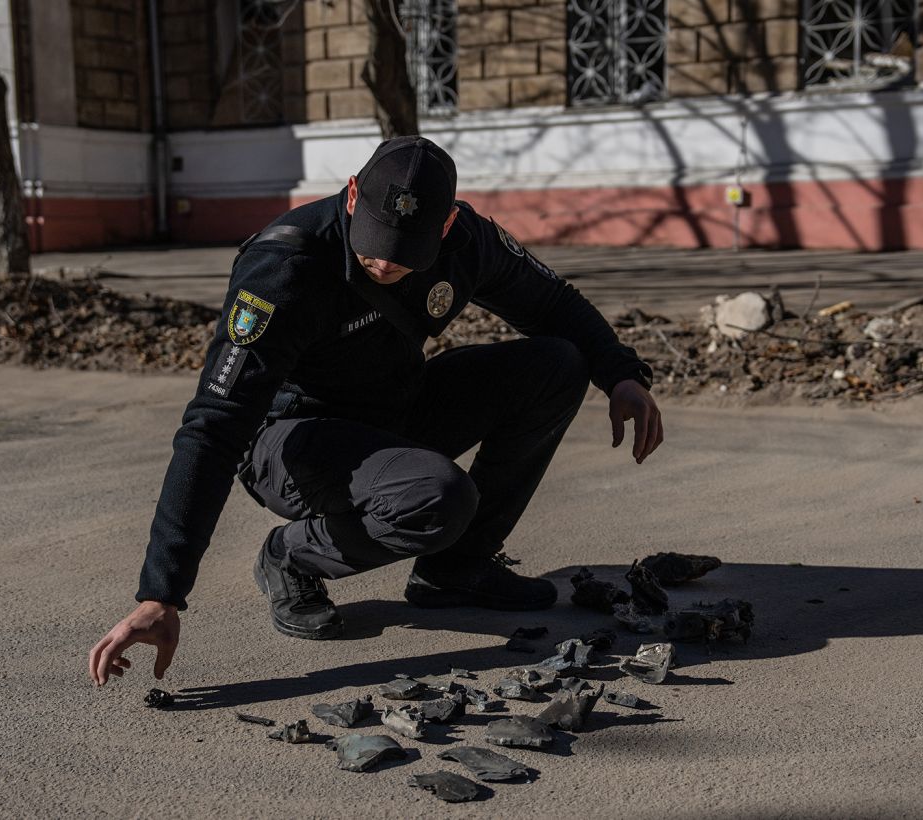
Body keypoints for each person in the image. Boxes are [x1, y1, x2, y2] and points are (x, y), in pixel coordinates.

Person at [88, 136, 663, 686]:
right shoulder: (284, 268)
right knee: (440, 497)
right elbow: (213, 426)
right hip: (293, 440)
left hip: (391, 408)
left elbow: (553, 302)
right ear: (352, 195)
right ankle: (291, 556)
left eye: (406, 250)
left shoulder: (469, 239)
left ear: (446, 223)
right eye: (374, 240)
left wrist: (621, 374)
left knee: (559, 364)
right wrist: (161, 592)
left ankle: (456, 569)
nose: (385, 262)